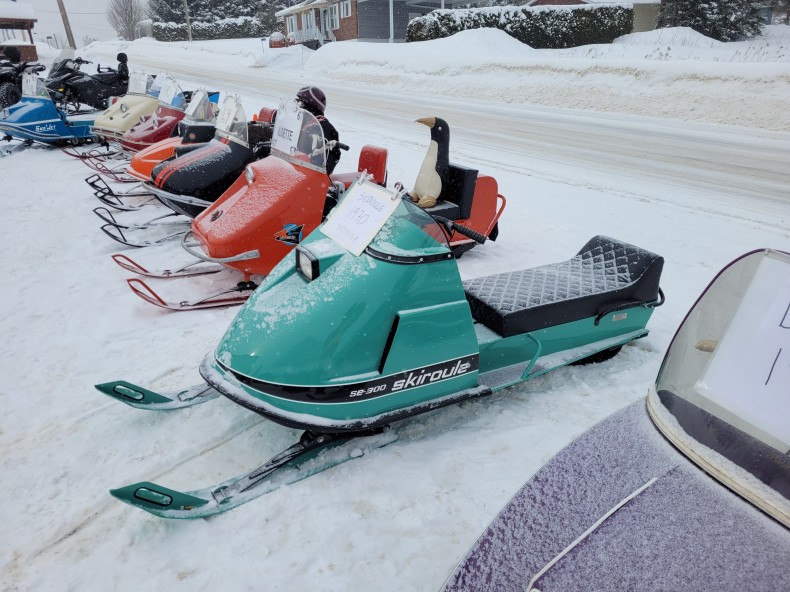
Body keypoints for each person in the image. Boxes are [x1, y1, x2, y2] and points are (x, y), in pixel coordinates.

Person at [296, 86, 341, 174]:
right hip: (294, 170)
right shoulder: (300, 123)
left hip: (311, 176)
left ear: (310, 107)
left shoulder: (323, 128)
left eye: (300, 104)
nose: (297, 107)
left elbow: (323, 163)